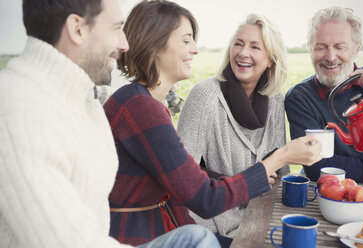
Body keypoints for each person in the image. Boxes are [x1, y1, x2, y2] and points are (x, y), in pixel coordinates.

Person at [0, 0, 221, 247]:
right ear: (77, 29)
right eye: (116, 28)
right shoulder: (18, 110)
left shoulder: (82, 100)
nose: (124, 44)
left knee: (196, 238)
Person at [104, 1, 322, 247]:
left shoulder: (145, 104)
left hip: (167, 227)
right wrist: (281, 156)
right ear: (156, 45)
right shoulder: (140, 107)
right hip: (142, 236)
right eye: (186, 40)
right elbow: (203, 197)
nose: (196, 49)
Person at [177, 13, 289, 237]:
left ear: (270, 60)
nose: (243, 52)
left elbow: (281, 171)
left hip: (260, 218)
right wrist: (245, 180)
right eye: (238, 44)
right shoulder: (205, 96)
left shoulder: (276, 98)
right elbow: (181, 176)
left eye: (255, 47)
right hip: (212, 225)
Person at [285, 6, 363, 183]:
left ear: (356, 49)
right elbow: (316, 165)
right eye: (321, 47)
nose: (331, 57)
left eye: (339, 47)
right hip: (327, 192)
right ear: (310, 49)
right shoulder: (300, 97)